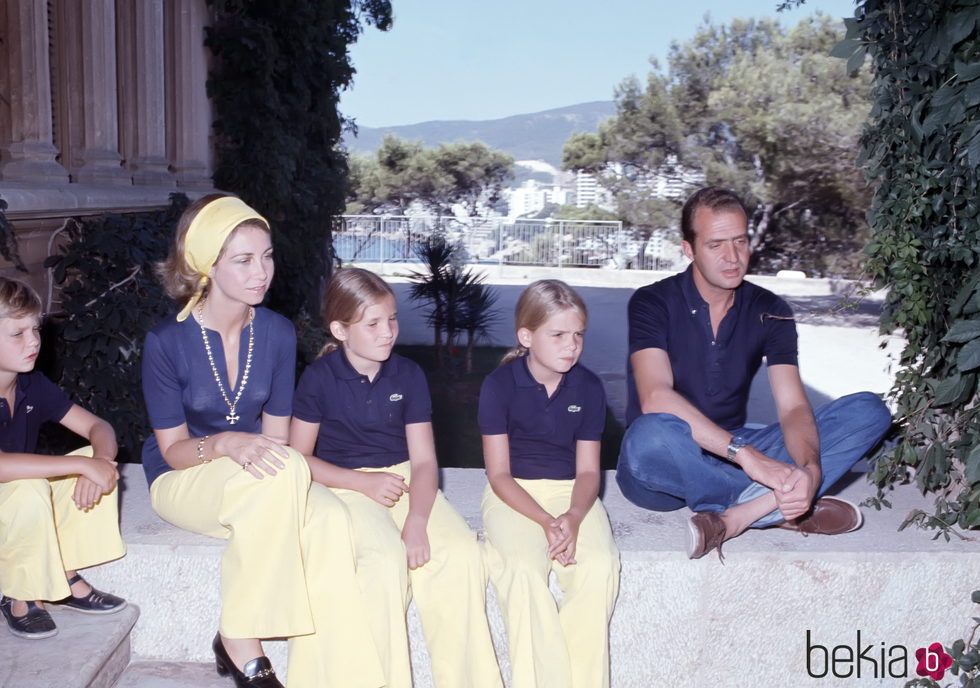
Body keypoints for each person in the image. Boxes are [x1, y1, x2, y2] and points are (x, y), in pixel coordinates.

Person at [141, 195, 383, 688]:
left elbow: (276, 438)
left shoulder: (276, 333)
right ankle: (240, 640)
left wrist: (256, 454)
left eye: (267, 255)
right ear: (206, 266)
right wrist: (228, 443)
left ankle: (337, 676)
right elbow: (173, 451)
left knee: (332, 521)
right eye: (244, 260)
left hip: (260, 479)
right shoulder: (166, 342)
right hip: (184, 478)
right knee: (292, 480)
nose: (262, 272)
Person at [616, 186, 893, 561]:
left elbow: (793, 407)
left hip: (739, 443)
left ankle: (740, 517)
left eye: (740, 241)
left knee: (869, 411)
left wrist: (810, 469)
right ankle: (780, 511)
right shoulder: (652, 302)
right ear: (689, 249)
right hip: (669, 456)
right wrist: (748, 457)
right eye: (716, 245)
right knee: (648, 436)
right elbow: (655, 397)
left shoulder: (769, 308)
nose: (732, 258)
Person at [289, 267, 502, 688]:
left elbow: (424, 463)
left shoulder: (407, 374)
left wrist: (417, 521)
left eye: (391, 319)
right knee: (382, 564)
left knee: (461, 552)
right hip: (342, 485)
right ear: (340, 329)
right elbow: (299, 459)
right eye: (373, 324)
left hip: (404, 479)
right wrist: (362, 482)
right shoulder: (319, 379)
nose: (388, 332)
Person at [478, 279, 620, 688]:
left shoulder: (589, 387)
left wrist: (574, 517)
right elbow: (499, 474)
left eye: (578, 335)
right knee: (522, 570)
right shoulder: (499, 386)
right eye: (558, 335)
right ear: (526, 336)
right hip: (513, 494)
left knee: (599, 566)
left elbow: (590, 471)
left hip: (571, 492)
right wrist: (545, 521)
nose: (571, 345)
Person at [0, 277, 126, 639]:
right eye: (17, 333)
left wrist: (97, 462)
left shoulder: (31, 385)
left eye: (35, 329)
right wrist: (81, 465)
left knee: (95, 461)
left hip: (12, 507)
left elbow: (99, 427)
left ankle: (63, 573)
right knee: (29, 488)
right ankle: (21, 595)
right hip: (12, 502)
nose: (34, 341)